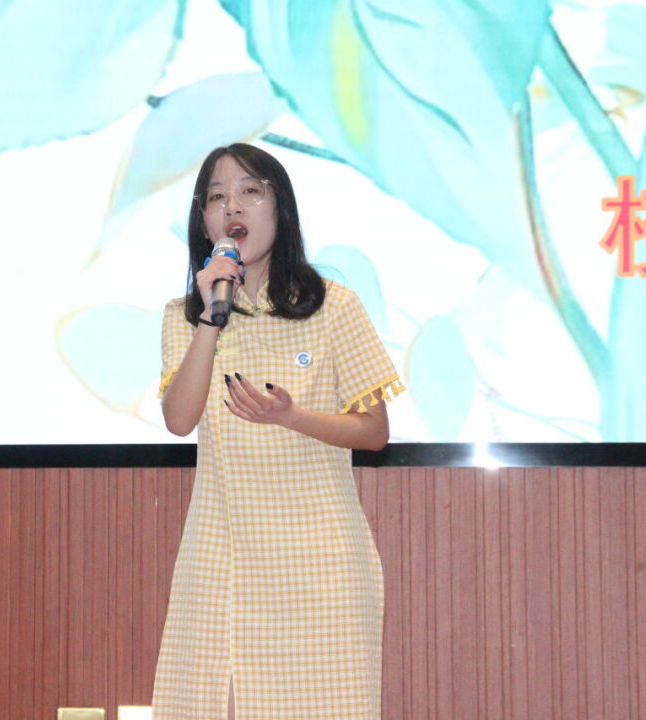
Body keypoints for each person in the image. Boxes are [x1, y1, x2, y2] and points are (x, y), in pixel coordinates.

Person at [152, 143, 404, 720]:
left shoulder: (333, 307)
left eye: (250, 191)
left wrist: (291, 417)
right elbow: (179, 419)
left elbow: (374, 432)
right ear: (204, 221)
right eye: (216, 197)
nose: (232, 206)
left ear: (279, 209)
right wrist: (210, 318)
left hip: (320, 561)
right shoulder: (184, 316)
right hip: (224, 559)